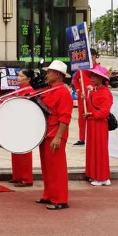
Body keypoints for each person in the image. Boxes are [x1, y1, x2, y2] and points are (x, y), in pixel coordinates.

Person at [36, 60, 74, 210]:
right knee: (47, 167)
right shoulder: (49, 90)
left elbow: (65, 117)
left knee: (56, 167)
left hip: (55, 134)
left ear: (58, 75)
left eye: (49, 72)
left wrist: (58, 136)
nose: (47, 74)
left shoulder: (63, 92)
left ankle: (60, 199)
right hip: (46, 133)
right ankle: (49, 195)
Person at [85, 65, 113, 186]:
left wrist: (91, 113)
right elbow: (90, 105)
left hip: (100, 124)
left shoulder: (106, 92)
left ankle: (102, 177)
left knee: (100, 150)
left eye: (95, 76)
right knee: (93, 149)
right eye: (92, 75)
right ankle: (95, 174)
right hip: (92, 123)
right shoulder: (94, 90)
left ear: (101, 78)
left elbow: (104, 112)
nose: (92, 78)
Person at [8, 69, 35, 187]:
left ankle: (26, 178)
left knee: (24, 152)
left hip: (25, 124)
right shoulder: (19, 90)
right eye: (18, 76)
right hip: (17, 123)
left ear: (28, 79)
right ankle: (17, 176)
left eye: (21, 76)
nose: (17, 78)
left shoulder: (29, 91)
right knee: (15, 150)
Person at [71, 48, 100, 146]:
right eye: (89, 56)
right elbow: (75, 80)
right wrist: (78, 89)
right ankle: (82, 138)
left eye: (92, 55)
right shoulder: (82, 68)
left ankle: (92, 138)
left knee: (92, 116)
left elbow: (104, 83)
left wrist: (94, 90)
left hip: (94, 97)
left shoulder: (99, 69)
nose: (91, 57)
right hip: (82, 97)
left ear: (96, 56)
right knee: (82, 118)